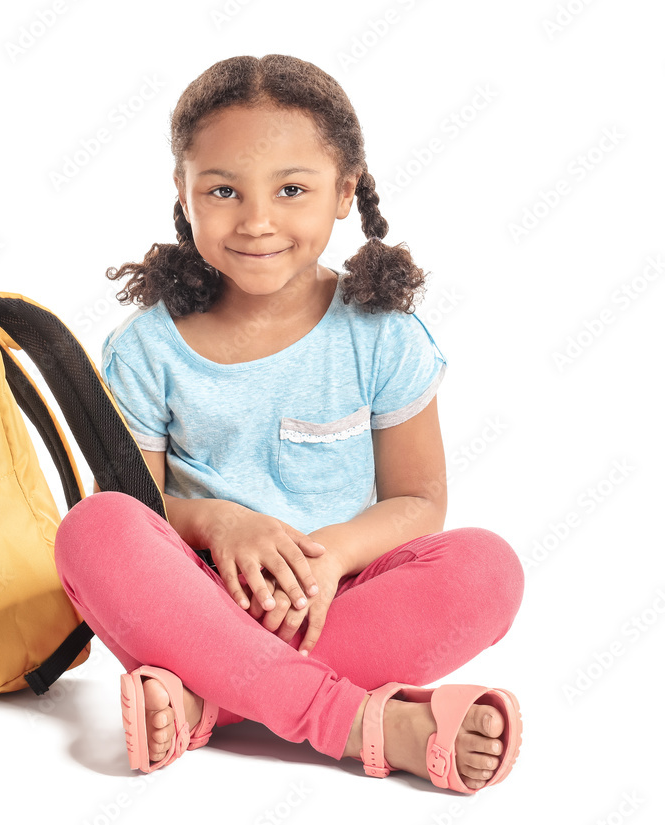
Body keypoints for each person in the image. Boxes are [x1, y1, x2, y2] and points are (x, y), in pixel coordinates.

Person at [53, 54, 524, 793]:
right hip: (198, 605)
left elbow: (420, 500)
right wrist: (221, 523)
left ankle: (211, 703)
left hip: (341, 598)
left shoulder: (381, 334)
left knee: (488, 568)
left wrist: (328, 558)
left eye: (292, 189)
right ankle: (364, 724)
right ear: (183, 192)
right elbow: (140, 510)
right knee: (93, 527)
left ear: (345, 192)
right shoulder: (148, 347)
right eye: (223, 190)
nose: (257, 220)